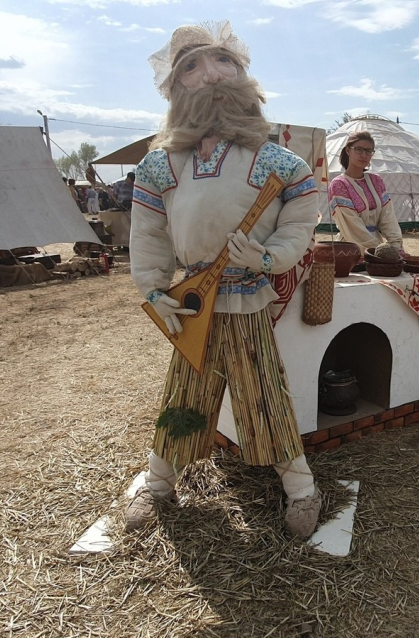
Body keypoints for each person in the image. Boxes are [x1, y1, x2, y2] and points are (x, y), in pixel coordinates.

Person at [126, 20, 322, 538]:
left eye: (220, 62)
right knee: (183, 395)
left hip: (246, 298)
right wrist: (152, 289)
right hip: (193, 304)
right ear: (175, 86)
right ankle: (158, 483)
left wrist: (267, 257)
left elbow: (302, 216)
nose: (209, 75)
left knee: (263, 394)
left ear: (240, 74)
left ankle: (302, 490)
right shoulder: (160, 166)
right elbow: (148, 235)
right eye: (190, 66)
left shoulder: (276, 161)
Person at [328, 131, 405, 256]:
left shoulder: (376, 181)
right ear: (348, 150)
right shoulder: (339, 185)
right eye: (358, 149)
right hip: (350, 250)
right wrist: (380, 252)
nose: (364, 155)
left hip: (379, 250)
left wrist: (395, 246)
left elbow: (388, 217)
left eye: (368, 151)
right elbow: (352, 227)